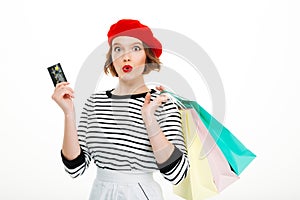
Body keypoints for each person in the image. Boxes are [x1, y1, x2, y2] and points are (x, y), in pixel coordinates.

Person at [51, 19, 189, 200]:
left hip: (142, 194)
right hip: (100, 194)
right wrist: (69, 113)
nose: (126, 56)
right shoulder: (94, 103)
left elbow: (177, 174)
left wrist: (150, 120)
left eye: (136, 48)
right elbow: (75, 169)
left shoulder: (162, 103)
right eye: (118, 49)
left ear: (147, 56)